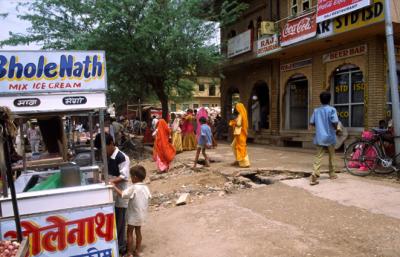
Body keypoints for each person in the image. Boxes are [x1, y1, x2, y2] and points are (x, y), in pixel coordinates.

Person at [111, 165, 151, 257]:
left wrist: (114, 187)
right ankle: (137, 251)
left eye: (131, 176)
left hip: (133, 215)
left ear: (135, 177)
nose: (130, 178)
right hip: (142, 214)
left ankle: (129, 253)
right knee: (138, 231)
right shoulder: (145, 187)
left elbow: (122, 194)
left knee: (129, 233)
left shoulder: (134, 187)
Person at [104, 133, 130, 253]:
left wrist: (109, 181)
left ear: (111, 144)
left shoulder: (121, 157)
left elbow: (124, 176)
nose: (103, 151)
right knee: (114, 222)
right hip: (112, 194)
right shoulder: (108, 156)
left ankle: (121, 247)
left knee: (120, 223)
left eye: (104, 147)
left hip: (120, 193)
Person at [309, 91, 339, 186]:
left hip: (320, 137)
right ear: (329, 100)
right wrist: (336, 128)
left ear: (320, 100)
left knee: (318, 156)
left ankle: (315, 173)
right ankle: (332, 174)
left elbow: (312, 122)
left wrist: (319, 124)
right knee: (332, 156)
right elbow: (335, 121)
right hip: (330, 137)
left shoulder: (316, 110)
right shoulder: (332, 110)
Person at [229, 103, 250, 168]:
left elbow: (238, 124)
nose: (236, 109)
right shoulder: (243, 114)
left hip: (240, 134)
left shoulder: (240, 115)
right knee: (233, 145)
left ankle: (245, 163)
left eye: (236, 107)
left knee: (241, 147)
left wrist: (233, 121)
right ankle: (238, 160)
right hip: (241, 133)